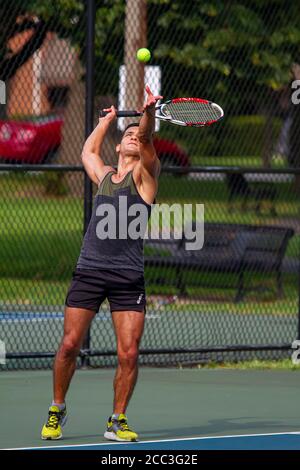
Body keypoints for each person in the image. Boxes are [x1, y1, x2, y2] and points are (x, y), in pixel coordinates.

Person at [41, 85, 162, 442]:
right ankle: (57, 408)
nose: (133, 138)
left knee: (128, 353)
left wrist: (148, 113)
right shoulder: (106, 176)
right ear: (119, 145)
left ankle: (117, 420)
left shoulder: (146, 176)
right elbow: (87, 151)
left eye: (137, 136)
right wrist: (106, 121)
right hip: (90, 270)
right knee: (69, 345)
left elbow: (147, 135)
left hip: (127, 277)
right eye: (127, 135)